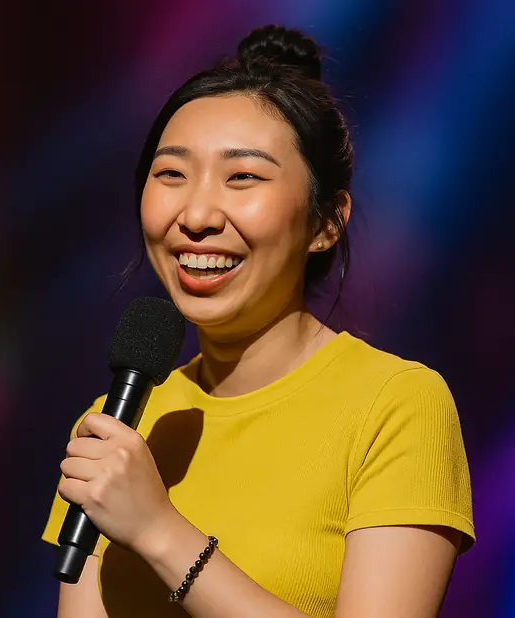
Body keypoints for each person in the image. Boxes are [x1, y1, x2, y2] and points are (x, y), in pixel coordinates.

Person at [42, 24, 474, 618]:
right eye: (171, 174)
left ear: (327, 221)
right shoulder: (117, 426)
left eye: (242, 177)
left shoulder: (395, 406)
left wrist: (161, 532)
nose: (195, 214)